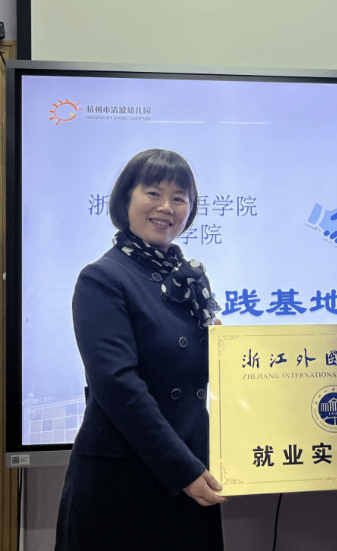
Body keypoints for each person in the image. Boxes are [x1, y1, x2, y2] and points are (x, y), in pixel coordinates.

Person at [55, 149, 226, 551]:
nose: (166, 207)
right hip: (126, 481)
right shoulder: (103, 278)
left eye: (179, 198)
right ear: (125, 199)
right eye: (153, 193)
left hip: (188, 466)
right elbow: (118, 385)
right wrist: (182, 469)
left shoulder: (188, 282)